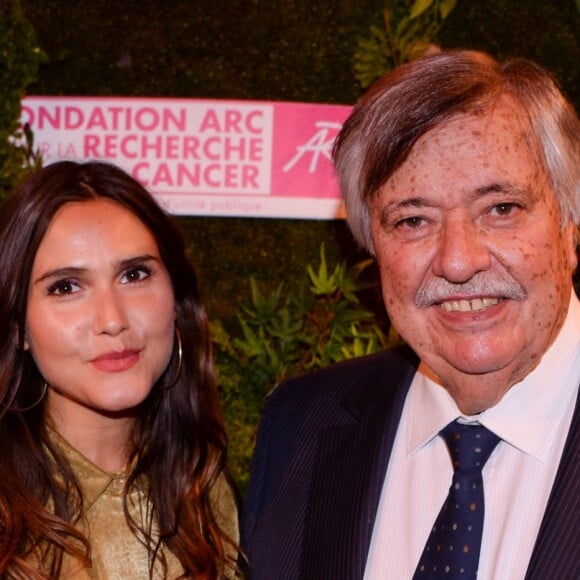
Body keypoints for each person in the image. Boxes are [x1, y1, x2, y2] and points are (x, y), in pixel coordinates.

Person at [242, 50, 580, 579]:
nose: (458, 260)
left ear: (570, 224)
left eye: (501, 209)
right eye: (413, 220)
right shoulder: (299, 426)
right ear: (372, 244)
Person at [0, 161, 240, 578]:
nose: (112, 319)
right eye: (66, 287)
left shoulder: (202, 485)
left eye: (134, 274)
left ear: (176, 300)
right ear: (19, 327)